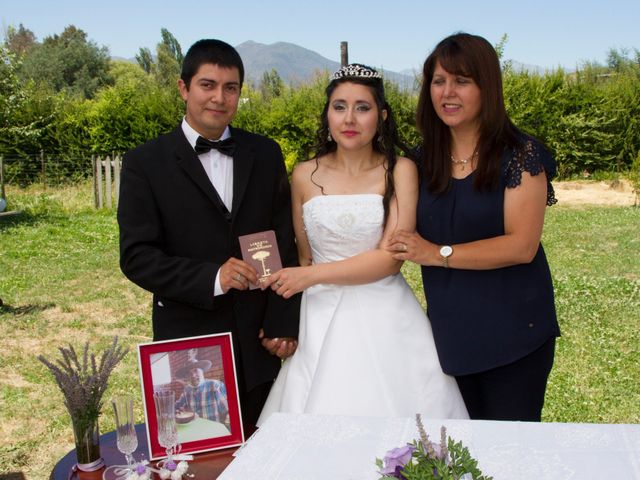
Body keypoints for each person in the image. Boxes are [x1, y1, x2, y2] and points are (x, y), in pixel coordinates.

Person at [257, 64, 468, 423]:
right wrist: (284, 319)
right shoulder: (304, 174)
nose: (349, 118)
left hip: (385, 312)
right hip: (318, 315)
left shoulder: (400, 169)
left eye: (363, 107)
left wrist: (310, 277)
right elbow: (304, 257)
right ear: (327, 114)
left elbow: (391, 259)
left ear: (381, 116)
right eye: (339, 106)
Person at [117, 39, 301, 430]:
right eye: (207, 85)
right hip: (190, 344)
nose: (219, 97)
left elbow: (285, 241)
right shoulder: (143, 163)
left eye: (230, 87)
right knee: (200, 457)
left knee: (265, 448)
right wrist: (212, 278)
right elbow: (137, 257)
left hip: (259, 340)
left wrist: (284, 320)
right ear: (184, 88)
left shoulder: (265, 153)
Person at [388, 33, 560, 421]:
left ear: (487, 87)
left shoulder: (520, 154)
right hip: (449, 336)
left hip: (515, 335)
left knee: (508, 452)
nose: (448, 92)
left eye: (462, 81)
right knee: (459, 451)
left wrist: (437, 254)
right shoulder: (419, 162)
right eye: (438, 81)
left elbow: (522, 245)